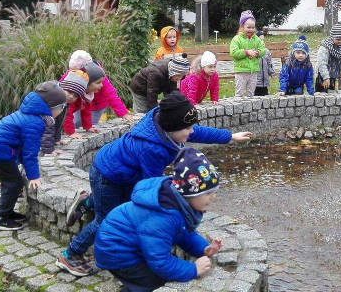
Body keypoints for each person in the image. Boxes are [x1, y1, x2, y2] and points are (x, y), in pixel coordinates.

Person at [57, 92, 252, 276]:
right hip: (108, 175)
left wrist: (230, 136)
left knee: (119, 205)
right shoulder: (152, 148)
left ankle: (89, 201)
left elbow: (195, 131)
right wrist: (173, 210)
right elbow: (150, 187)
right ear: (173, 128)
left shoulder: (166, 121)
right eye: (187, 129)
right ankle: (70, 255)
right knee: (106, 219)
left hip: (123, 171)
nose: (191, 132)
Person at [94, 148, 223, 291]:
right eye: (208, 193)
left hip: (132, 246)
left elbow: (184, 233)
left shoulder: (178, 203)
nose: (213, 198)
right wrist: (193, 269)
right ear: (189, 193)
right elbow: (160, 262)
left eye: (214, 192)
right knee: (153, 283)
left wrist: (203, 248)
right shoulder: (162, 217)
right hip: (116, 251)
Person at [0, 81, 67, 230]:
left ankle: (8, 213)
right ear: (53, 108)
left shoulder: (32, 114)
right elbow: (29, 153)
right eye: (62, 107)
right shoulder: (35, 122)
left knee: (13, 181)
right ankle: (0, 219)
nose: (62, 111)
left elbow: (21, 144)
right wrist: (33, 176)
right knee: (13, 184)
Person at [67, 50, 130, 127]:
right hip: (80, 103)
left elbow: (111, 95)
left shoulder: (99, 77)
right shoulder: (73, 73)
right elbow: (63, 85)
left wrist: (123, 113)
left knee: (91, 125)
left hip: (97, 106)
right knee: (76, 123)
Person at [41, 71, 89, 154]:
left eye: (75, 96)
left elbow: (58, 121)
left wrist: (56, 139)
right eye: (70, 92)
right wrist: (49, 150)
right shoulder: (54, 100)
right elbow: (48, 125)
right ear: (62, 88)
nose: (71, 97)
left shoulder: (64, 102)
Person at [229, 10, 267, 97]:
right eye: (248, 27)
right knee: (239, 93)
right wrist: (246, 52)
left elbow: (263, 49)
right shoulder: (237, 39)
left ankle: (250, 109)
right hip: (241, 71)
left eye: (253, 27)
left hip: (253, 71)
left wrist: (257, 53)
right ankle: (238, 107)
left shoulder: (256, 39)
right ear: (242, 27)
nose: (251, 29)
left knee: (251, 93)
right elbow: (234, 53)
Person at [64, 61, 107, 135]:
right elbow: (67, 114)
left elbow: (86, 111)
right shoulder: (72, 96)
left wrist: (88, 127)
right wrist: (71, 133)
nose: (102, 85)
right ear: (86, 84)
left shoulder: (87, 95)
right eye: (98, 83)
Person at [314, 24, 341, 92]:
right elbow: (322, 63)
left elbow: (340, 61)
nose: (340, 41)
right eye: (338, 39)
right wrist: (325, 77)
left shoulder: (340, 47)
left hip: (332, 74)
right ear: (332, 37)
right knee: (322, 95)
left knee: (331, 94)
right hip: (322, 75)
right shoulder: (325, 47)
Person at [254, 31, 276, 96]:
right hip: (256, 81)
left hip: (265, 80)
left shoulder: (266, 51)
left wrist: (272, 73)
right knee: (256, 97)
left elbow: (270, 64)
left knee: (265, 96)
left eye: (263, 40)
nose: (262, 42)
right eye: (260, 40)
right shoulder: (253, 51)